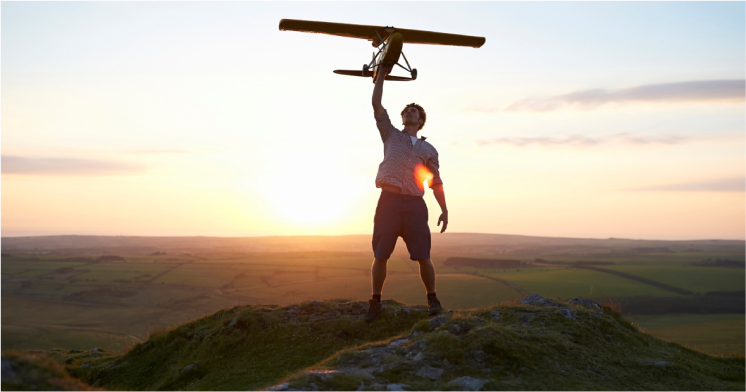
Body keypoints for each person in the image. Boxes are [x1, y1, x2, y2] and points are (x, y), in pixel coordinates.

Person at [365, 63, 449, 323]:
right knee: (381, 254)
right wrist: (380, 77)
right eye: (406, 111)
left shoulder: (429, 150)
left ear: (421, 121)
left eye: (414, 111)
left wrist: (444, 209)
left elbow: (435, 181)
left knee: (423, 255)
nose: (409, 112)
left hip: (414, 205)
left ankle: (432, 300)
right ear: (402, 118)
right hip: (388, 202)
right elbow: (376, 104)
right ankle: (375, 301)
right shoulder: (390, 134)